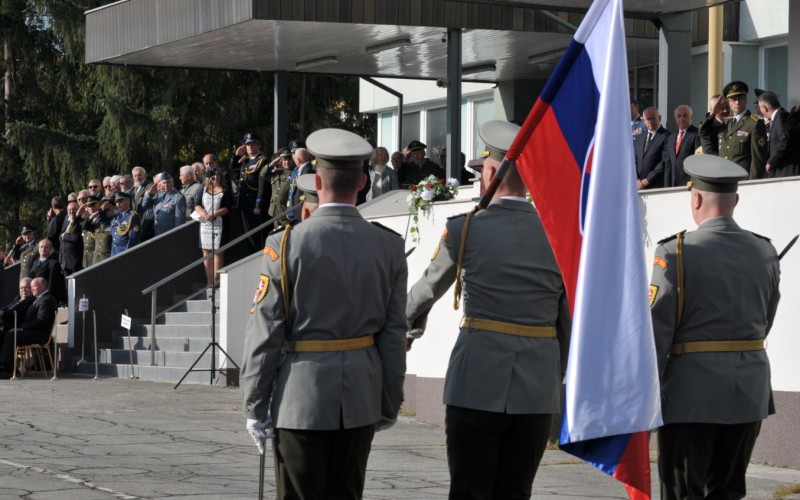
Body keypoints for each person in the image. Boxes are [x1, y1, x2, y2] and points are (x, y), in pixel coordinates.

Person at [405, 120, 571, 500]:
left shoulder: (466, 228)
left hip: (476, 385)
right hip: (536, 389)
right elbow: (567, 321)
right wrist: (556, 376)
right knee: (515, 492)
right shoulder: (558, 236)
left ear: (491, 172)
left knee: (469, 490)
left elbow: (425, 292)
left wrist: (398, 328)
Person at [241, 128, 407, 500]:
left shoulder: (284, 244)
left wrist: (254, 402)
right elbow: (394, 333)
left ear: (316, 181)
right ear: (363, 183)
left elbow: (264, 331)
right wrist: (389, 399)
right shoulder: (389, 246)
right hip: (361, 398)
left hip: (301, 400)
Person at [649, 154, 780, 500]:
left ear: (695, 198)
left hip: (692, 396)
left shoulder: (675, 251)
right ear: (735, 200)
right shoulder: (764, 251)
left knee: (682, 493)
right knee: (728, 491)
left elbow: (656, 333)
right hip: (748, 394)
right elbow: (764, 322)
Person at [700, 81, 768, 179]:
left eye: (741, 98)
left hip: (742, 179)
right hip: (724, 178)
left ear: (745, 100)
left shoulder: (754, 123)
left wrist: (752, 184)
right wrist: (712, 114)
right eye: (733, 99)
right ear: (728, 102)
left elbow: (758, 159)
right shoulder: (726, 122)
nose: (737, 102)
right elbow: (703, 133)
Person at [0, 277, 58, 378]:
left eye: (34, 287)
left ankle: (7, 368)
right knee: (5, 334)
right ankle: (9, 368)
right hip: (33, 332)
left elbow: (42, 322)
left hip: (40, 335)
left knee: (11, 335)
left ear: (43, 286)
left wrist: (22, 328)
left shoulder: (47, 300)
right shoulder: (40, 298)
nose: (32, 289)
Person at [194, 168, 233, 288]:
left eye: (217, 176)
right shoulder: (204, 189)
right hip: (205, 224)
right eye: (213, 176)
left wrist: (214, 214)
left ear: (221, 177)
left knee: (218, 251)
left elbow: (227, 208)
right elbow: (197, 205)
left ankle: (216, 280)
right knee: (206, 251)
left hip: (219, 224)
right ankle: (209, 281)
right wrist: (204, 213)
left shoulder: (225, 191)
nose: (215, 178)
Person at [231, 132, 271, 247]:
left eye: (253, 144)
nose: (250, 147)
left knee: (258, 234)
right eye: (248, 145)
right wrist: (237, 155)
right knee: (248, 234)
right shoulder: (246, 161)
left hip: (254, 203)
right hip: (244, 203)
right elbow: (233, 169)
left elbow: (263, 185)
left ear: (258, 146)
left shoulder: (262, 161)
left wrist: (258, 205)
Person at [757, 91, 798, 178]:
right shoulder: (779, 116)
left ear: (764, 108)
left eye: (760, 107)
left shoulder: (780, 116)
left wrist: (771, 162)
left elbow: (785, 141)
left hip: (786, 171)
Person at [664, 105, 702, 187]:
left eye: (685, 116)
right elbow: (668, 164)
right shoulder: (671, 137)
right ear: (675, 118)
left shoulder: (697, 134)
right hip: (673, 185)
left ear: (691, 117)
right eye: (679, 116)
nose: (682, 119)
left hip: (689, 184)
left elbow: (698, 162)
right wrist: (666, 186)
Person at [141, 172, 187, 237]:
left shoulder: (178, 197)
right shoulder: (158, 195)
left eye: (168, 182)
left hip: (170, 235)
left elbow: (180, 221)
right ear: (160, 184)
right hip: (157, 233)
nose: (166, 185)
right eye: (164, 183)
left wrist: (177, 236)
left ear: (172, 183)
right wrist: (150, 194)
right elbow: (145, 205)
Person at [635, 106, 669, 189]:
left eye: (653, 118)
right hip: (639, 186)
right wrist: (636, 179)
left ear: (659, 118)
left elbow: (664, 161)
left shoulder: (667, 136)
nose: (650, 121)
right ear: (643, 121)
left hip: (656, 185)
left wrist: (647, 180)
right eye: (648, 119)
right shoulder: (640, 137)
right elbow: (635, 160)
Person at [105, 191, 142, 256]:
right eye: (116, 202)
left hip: (125, 253)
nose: (118, 204)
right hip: (114, 252)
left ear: (128, 201)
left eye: (120, 201)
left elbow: (133, 240)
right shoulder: (115, 215)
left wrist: (127, 255)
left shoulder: (132, 216)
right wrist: (104, 210)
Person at [0, 278, 34, 347]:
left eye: (27, 287)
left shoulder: (31, 300)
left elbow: (19, 314)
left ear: (32, 288)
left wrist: (2, 314)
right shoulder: (18, 298)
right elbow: (6, 308)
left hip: (13, 327)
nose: (24, 290)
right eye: (21, 288)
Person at [59, 201, 84, 275]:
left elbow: (77, 238)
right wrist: (61, 261)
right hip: (65, 264)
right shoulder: (66, 222)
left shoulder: (81, 222)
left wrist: (65, 236)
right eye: (69, 209)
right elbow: (61, 242)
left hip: (76, 263)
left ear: (78, 210)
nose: (71, 211)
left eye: (74, 209)